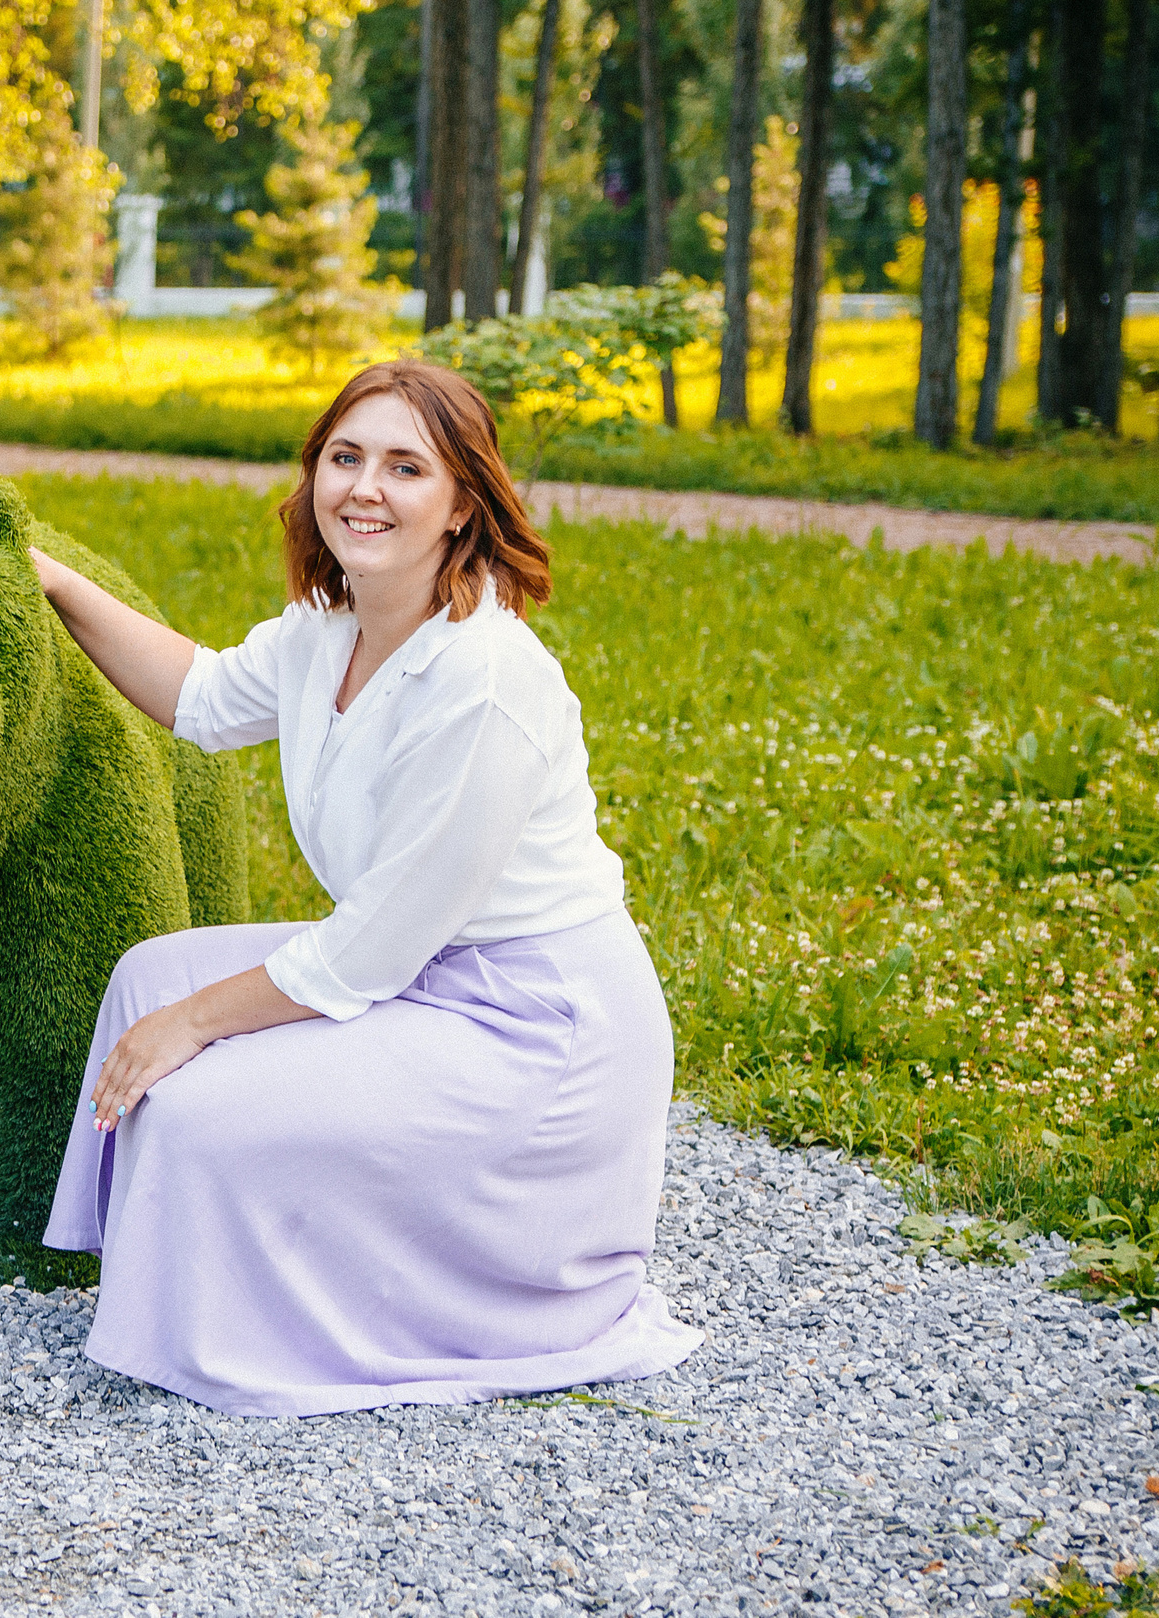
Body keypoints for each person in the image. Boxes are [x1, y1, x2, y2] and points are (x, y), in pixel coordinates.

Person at [36, 359, 699, 1415]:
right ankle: (159, 1274)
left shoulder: (484, 681)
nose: (364, 490)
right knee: (145, 974)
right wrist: (60, 586)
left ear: (460, 504)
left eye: (404, 467)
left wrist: (195, 1028)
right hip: (421, 969)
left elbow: (368, 953)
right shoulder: (331, 623)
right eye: (344, 458)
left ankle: (231, 1324)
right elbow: (201, 698)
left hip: (537, 1031)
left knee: (199, 1096)